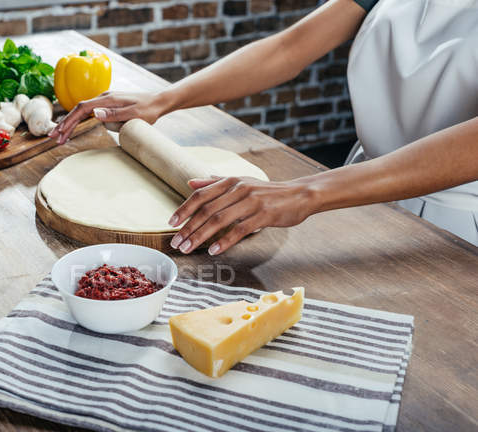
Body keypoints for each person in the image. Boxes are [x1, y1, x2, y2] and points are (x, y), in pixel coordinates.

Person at [49, 0, 478, 255]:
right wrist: (165, 99)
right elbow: (290, 48)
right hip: (359, 187)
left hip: (456, 226)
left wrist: (306, 192)